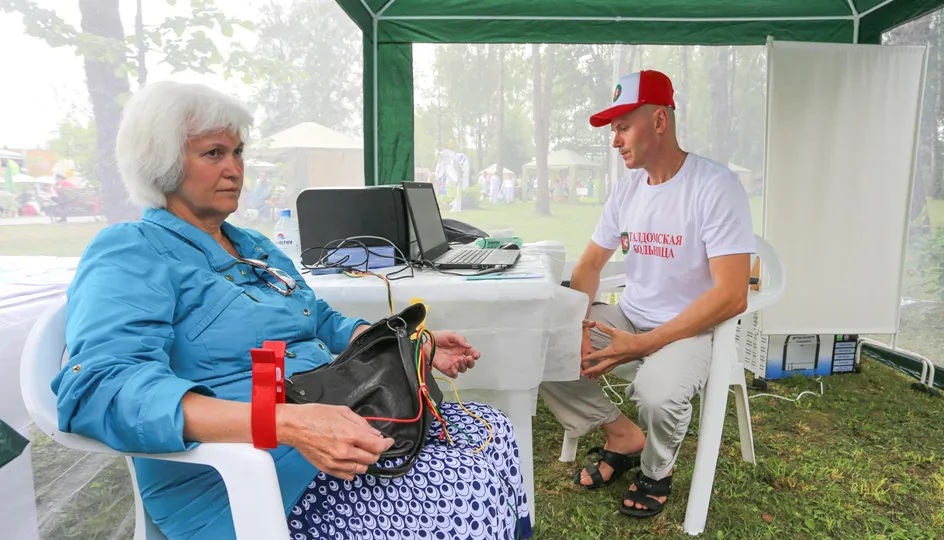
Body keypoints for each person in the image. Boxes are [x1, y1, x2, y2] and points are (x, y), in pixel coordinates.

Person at [52, 81, 532, 540]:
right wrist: (282, 422)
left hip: (330, 420)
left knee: (491, 432)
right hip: (244, 473)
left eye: (237, 152)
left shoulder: (254, 245)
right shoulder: (132, 250)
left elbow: (319, 320)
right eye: (213, 153)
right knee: (457, 494)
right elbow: (99, 388)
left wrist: (410, 348)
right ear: (160, 164)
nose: (235, 169)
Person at [539, 70, 754, 518]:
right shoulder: (628, 188)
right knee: (542, 344)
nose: (614, 141)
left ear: (659, 121)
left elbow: (733, 295)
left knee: (657, 395)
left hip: (689, 330)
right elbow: (589, 266)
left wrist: (645, 344)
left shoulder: (715, 187)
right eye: (613, 130)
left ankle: (656, 471)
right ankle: (622, 434)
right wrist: (578, 326)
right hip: (630, 316)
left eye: (622, 127)